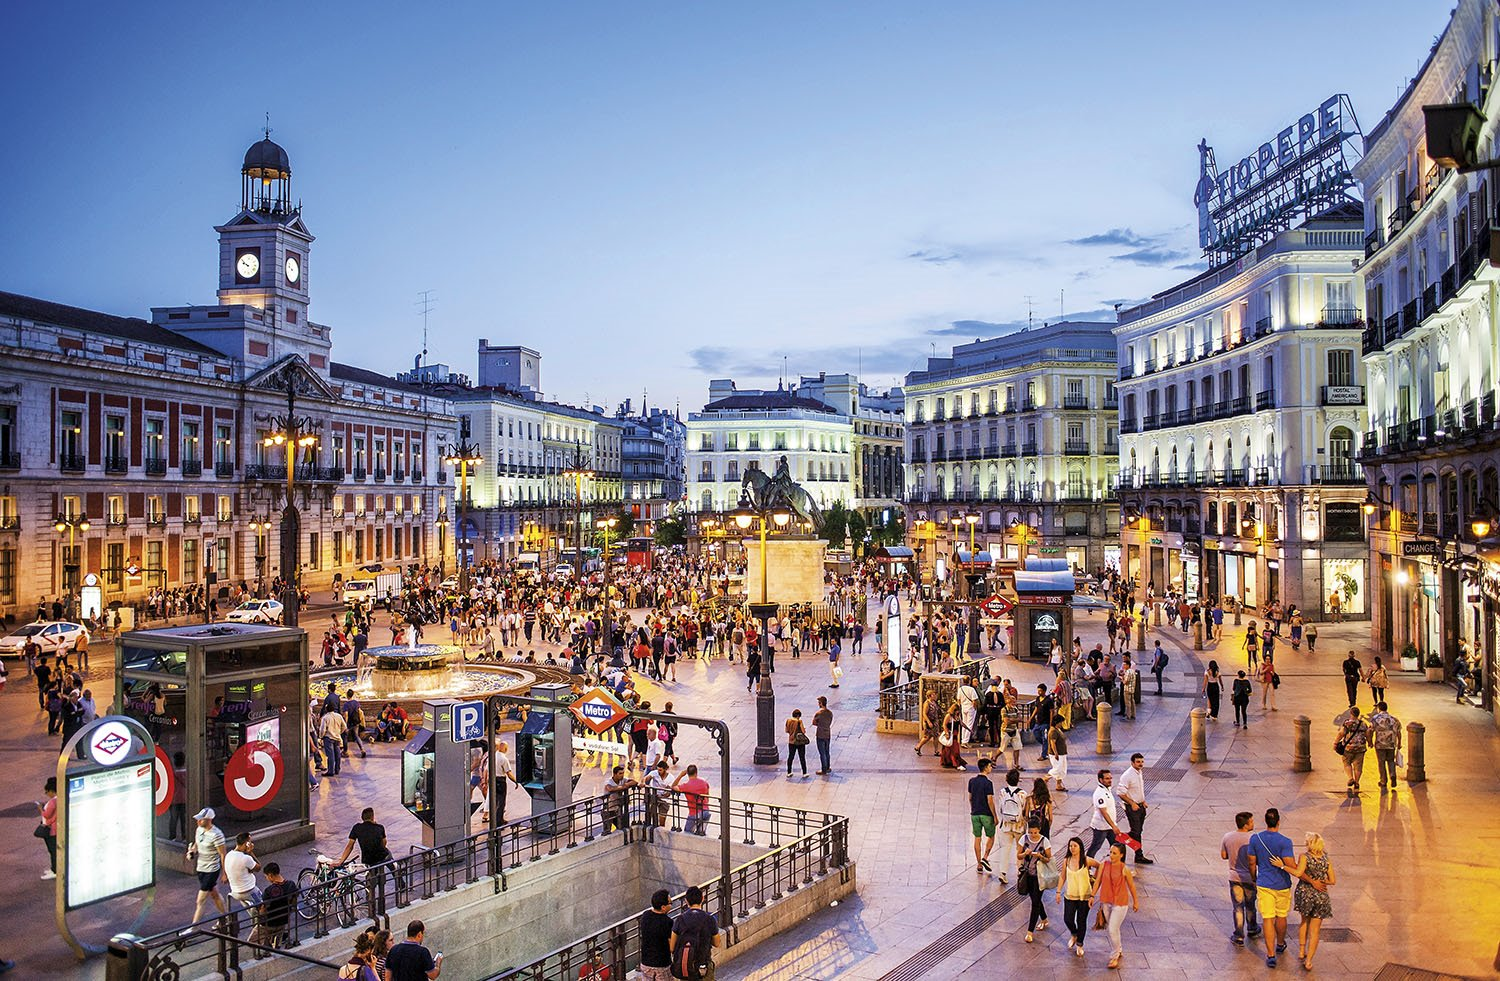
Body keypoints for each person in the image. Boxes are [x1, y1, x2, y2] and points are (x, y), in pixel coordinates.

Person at [1247, 807, 1297, 968]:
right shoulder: (1285, 842)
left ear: (1266, 821)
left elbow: (1252, 862)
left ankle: (1270, 955)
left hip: (1264, 884)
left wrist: (1254, 878)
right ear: (1279, 821)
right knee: (1281, 916)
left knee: (1268, 918)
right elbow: (1291, 865)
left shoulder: (1255, 839)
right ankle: (1280, 944)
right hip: (1282, 884)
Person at [1088, 841, 1139, 969]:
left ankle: (1114, 956)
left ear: (1121, 855)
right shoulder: (1104, 865)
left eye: (1114, 853)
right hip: (1106, 900)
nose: (1111, 855)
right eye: (1110, 852)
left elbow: (1132, 886)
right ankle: (1119, 948)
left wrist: (1136, 902)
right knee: (1113, 929)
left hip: (1120, 903)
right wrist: (1092, 895)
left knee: (1112, 929)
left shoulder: (1124, 869)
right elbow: (1098, 881)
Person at [1292, 832, 1335, 971]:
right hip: (1321, 896)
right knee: (1315, 931)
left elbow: (1299, 873)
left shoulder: (1304, 857)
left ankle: (1301, 950)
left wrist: (1284, 867)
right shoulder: (1326, 858)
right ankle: (1309, 960)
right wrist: (1322, 881)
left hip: (1305, 894)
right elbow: (1333, 880)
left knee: (1304, 921)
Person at [1221, 811, 1261, 947]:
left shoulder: (1227, 836)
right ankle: (1252, 928)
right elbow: (1256, 859)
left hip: (1234, 877)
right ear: (1245, 824)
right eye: (1251, 821)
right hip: (1249, 878)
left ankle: (1238, 935)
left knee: (1238, 907)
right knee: (1250, 905)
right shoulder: (1253, 838)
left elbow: (1224, 855)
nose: (1253, 823)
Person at [669, 885, 721, 980]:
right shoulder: (710, 919)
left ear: (686, 901)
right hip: (703, 966)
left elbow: (672, 947)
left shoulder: (680, 919)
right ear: (702, 899)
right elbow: (717, 943)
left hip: (685, 966)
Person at [1057, 835, 1097, 957]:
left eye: (1075, 846)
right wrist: (1058, 891)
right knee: (1068, 919)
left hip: (1084, 896)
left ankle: (1080, 944)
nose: (1072, 848)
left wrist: (1095, 881)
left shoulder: (1086, 860)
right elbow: (1063, 876)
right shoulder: (1066, 860)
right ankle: (1074, 934)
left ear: (1080, 847)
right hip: (1070, 895)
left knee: (1081, 920)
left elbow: (1100, 866)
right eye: (1070, 846)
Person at [188, 807, 228, 925]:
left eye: (201, 819)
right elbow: (196, 844)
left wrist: (224, 873)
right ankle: (225, 917)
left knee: (200, 900)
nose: (198, 821)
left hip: (211, 870)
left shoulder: (217, 834)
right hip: (201, 868)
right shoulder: (199, 830)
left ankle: (193, 927)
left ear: (209, 819)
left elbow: (222, 854)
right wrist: (192, 851)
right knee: (215, 894)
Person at [1116, 752, 1153, 864]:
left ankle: (1138, 855)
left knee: (1138, 831)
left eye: (1142, 762)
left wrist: (1143, 801)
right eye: (1138, 762)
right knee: (1136, 832)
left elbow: (1137, 790)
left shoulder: (1139, 772)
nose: (1140, 764)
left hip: (1140, 807)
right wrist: (1132, 803)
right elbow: (1120, 792)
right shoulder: (1127, 775)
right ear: (1132, 763)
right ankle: (1120, 839)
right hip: (1133, 808)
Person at [224, 832, 262, 937]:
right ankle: (258, 931)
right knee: (263, 907)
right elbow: (258, 867)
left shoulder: (229, 855)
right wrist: (251, 853)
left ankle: (255, 919)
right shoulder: (246, 858)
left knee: (253, 909)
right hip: (249, 891)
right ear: (246, 843)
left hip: (235, 891)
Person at [254, 862, 297, 950]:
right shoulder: (291, 885)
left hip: (269, 923)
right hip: (284, 920)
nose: (266, 878)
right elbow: (294, 902)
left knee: (251, 941)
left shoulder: (269, 891)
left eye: (266, 876)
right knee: (276, 942)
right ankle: (272, 944)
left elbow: (263, 910)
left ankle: (267, 948)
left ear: (270, 875)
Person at [996, 767, 1027, 885]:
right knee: (1020, 850)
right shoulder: (1022, 793)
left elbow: (1000, 807)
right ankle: (1020, 872)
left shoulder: (1002, 792)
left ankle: (1002, 872)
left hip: (1006, 825)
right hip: (1018, 826)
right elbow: (1024, 809)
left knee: (1005, 848)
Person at [967, 757, 997, 874]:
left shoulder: (971, 781)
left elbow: (970, 798)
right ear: (985, 768)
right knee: (991, 836)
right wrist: (994, 815)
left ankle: (979, 864)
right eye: (990, 766)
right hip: (986, 814)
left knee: (977, 838)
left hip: (975, 813)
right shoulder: (988, 783)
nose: (991, 768)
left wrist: (973, 808)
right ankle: (985, 856)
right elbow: (990, 800)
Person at [638, 889, 674, 981]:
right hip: (662, 964)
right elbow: (671, 947)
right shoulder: (667, 922)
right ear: (663, 907)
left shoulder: (645, 916)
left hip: (646, 963)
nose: (671, 905)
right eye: (670, 903)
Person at [1336, 704, 1372, 793]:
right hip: (1360, 747)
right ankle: (1357, 782)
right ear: (1358, 714)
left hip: (1349, 747)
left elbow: (1341, 733)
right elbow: (1367, 734)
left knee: (1347, 763)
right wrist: (1370, 742)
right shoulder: (1363, 724)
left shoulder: (1347, 723)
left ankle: (1350, 778)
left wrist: (1335, 742)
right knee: (1358, 766)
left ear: (1351, 714)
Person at [1087, 770, 1121, 858]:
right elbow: (1104, 812)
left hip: (1109, 825)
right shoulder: (1099, 793)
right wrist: (1114, 826)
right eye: (1107, 778)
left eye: (1110, 778)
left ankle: (1117, 866)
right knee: (1095, 846)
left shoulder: (1107, 789)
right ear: (1100, 780)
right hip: (1101, 827)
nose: (1110, 780)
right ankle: (1086, 866)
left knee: (1116, 845)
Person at [1369, 700, 1403, 791]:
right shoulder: (1394, 719)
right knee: (1391, 760)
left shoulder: (1375, 718)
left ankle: (1383, 780)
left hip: (1380, 744)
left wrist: (1370, 742)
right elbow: (1399, 732)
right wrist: (1399, 743)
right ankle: (1392, 774)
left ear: (1379, 708)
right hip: (1391, 744)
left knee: (1381, 762)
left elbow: (1370, 730)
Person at [672, 765, 712, 836]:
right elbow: (707, 796)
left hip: (694, 813)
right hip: (706, 811)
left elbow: (673, 786)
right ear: (696, 772)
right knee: (701, 834)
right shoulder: (704, 783)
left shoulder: (686, 786)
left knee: (687, 833)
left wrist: (681, 775)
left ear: (687, 773)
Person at [37, 776, 58, 880]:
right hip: (55, 829)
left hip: (51, 831)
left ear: (51, 791)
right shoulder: (59, 799)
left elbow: (47, 815)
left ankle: (55, 870)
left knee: (53, 851)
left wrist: (41, 809)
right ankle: (54, 868)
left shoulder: (53, 802)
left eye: (47, 792)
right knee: (53, 851)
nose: (46, 794)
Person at [914, 690, 941, 756]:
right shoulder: (927, 703)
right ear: (930, 695)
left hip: (934, 721)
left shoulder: (934, 702)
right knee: (927, 737)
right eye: (933, 694)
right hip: (930, 722)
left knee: (935, 736)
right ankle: (918, 746)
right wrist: (928, 722)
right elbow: (924, 713)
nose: (935, 696)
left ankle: (935, 750)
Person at [1046, 714, 1069, 792]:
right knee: (1057, 769)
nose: (1061, 724)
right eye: (1060, 722)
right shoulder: (1053, 731)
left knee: (1062, 769)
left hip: (1062, 753)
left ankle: (1059, 785)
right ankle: (1045, 778)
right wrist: (1056, 753)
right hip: (1057, 753)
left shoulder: (1057, 729)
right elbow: (1053, 743)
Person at [812, 696, 834, 775]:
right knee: (827, 751)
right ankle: (828, 767)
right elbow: (830, 721)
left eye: (819, 703)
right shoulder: (830, 713)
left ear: (821, 703)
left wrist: (820, 724)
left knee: (822, 753)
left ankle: (823, 769)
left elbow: (814, 722)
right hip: (827, 734)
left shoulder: (819, 713)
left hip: (820, 734)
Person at [785, 709, 809, 778]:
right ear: (798, 715)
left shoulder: (788, 721)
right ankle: (804, 772)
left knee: (790, 756)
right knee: (802, 757)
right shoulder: (799, 721)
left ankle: (789, 772)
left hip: (791, 741)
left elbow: (787, 730)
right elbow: (803, 731)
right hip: (799, 742)